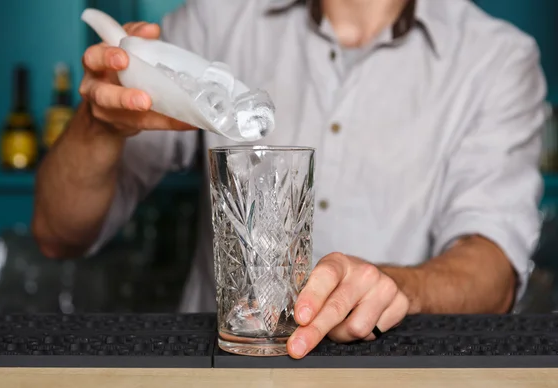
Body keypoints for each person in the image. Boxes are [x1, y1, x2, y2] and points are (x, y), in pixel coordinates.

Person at [32, 0, 547, 359]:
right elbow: (58, 234)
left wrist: (401, 288)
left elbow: (495, 272)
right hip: (224, 370)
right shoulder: (218, 18)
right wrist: (97, 127)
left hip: (392, 375)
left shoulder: (496, 58)